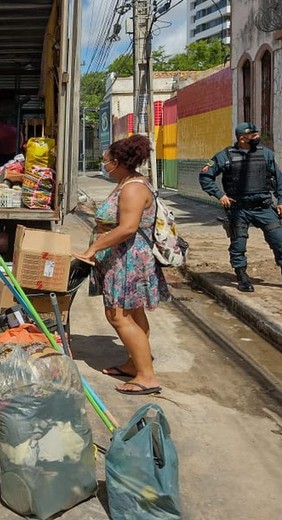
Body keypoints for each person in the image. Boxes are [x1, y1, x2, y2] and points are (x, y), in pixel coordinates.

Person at [74, 134, 169, 396]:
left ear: (116, 162)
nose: (104, 166)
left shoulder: (133, 188)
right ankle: (134, 363)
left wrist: (94, 248)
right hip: (121, 258)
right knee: (134, 313)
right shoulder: (126, 182)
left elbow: (128, 228)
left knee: (118, 316)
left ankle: (146, 376)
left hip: (128, 261)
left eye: (105, 162)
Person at [199, 122, 282, 293]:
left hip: (263, 207)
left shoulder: (266, 155)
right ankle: (242, 277)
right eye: (253, 135)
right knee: (238, 245)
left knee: (281, 241)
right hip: (239, 209)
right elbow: (205, 176)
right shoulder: (225, 156)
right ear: (242, 139)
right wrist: (220, 195)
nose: (257, 137)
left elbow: (279, 179)